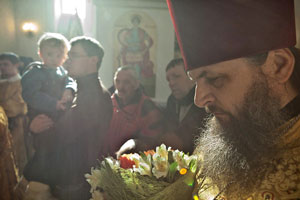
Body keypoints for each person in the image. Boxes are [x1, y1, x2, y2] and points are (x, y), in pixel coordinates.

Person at [167, 0, 300, 199]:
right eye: (195, 81)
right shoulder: (220, 140)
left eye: (215, 79)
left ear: (278, 66)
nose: (199, 99)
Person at [25, 36, 113, 200]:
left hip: (73, 183)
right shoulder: (79, 89)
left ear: (93, 60)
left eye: (74, 55)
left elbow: (58, 137)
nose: (67, 60)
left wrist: (34, 129)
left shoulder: (93, 96)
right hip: (68, 177)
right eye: (68, 55)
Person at [22, 32, 77, 185]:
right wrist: (53, 103)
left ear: (65, 56)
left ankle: (55, 176)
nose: (54, 59)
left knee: (58, 146)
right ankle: (38, 177)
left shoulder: (61, 71)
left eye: (59, 55)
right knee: (43, 147)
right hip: (42, 113)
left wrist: (69, 90)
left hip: (59, 115)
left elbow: (70, 80)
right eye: (50, 54)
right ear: (40, 53)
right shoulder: (35, 72)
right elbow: (30, 94)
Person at [104, 66, 164, 158]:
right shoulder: (108, 102)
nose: (120, 87)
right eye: (117, 81)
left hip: (131, 164)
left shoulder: (148, 108)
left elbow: (150, 145)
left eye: (126, 82)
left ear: (136, 84)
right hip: (105, 160)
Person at [162, 58, 207, 154]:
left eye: (176, 76)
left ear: (192, 78)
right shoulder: (171, 101)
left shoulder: (204, 101)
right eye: (168, 79)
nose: (171, 83)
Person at [0, 52, 28, 174]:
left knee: (16, 154)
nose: (2, 67)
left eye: (6, 64)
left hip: (17, 124)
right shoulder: (2, 83)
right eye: (0, 65)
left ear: (16, 65)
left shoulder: (22, 83)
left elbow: (19, 106)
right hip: (3, 124)